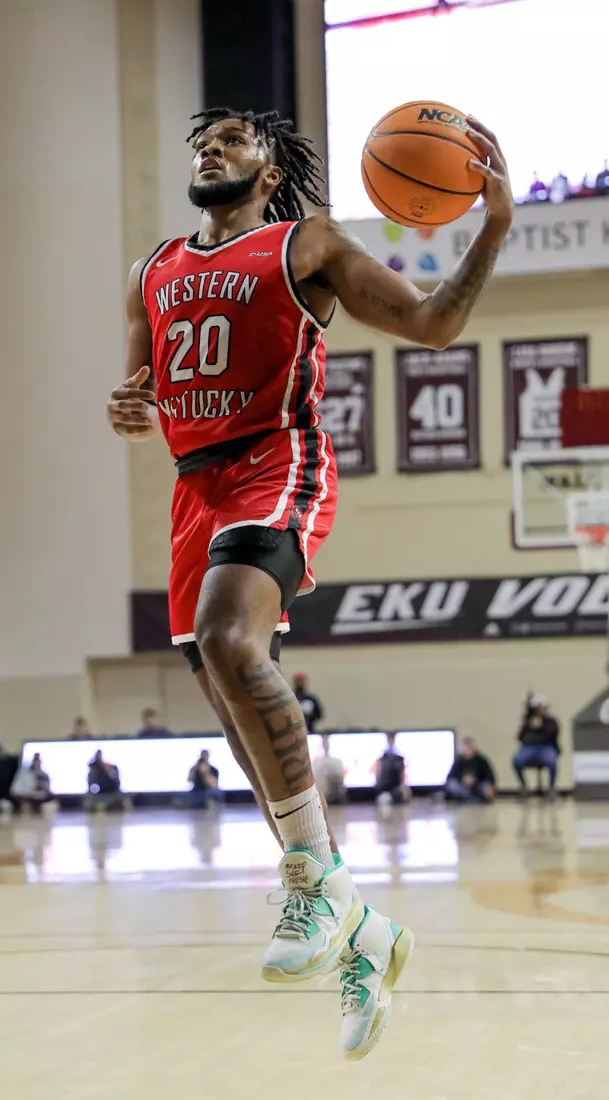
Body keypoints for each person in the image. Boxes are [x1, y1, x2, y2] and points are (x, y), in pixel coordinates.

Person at [107, 104, 511, 1058]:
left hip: (274, 461)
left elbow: (434, 325)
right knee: (235, 717)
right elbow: (141, 393)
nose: (210, 143)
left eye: (234, 137)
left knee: (228, 641)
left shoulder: (307, 244)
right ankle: (360, 929)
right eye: (201, 136)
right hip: (192, 488)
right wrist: (129, 401)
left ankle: (304, 887)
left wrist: (490, 227)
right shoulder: (151, 272)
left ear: (271, 169)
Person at [513, 694, 560, 799]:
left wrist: (541, 728)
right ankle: (524, 787)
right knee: (517, 760)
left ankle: (551, 787)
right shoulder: (528, 722)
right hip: (529, 747)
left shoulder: (551, 721)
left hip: (545, 747)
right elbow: (520, 736)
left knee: (552, 761)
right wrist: (530, 726)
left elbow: (552, 734)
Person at [446, 738, 496, 803]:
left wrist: (487, 786)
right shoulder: (458, 761)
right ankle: (469, 797)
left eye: (470, 748)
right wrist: (462, 780)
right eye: (466, 749)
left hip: (478, 785)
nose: (468, 751)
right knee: (452, 785)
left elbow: (489, 776)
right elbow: (450, 777)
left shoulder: (481, 760)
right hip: (462, 786)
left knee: (486, 786)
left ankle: (475, 796)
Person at [374, 733, 411, 807]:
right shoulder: (381, 759)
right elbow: (378, 775)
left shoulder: (399, 759)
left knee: (404, 792)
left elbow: (401, 776)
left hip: (395, 787)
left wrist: (403, 787)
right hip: (383, 787)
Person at [313, 734, 345, 805]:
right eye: (324, 742)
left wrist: (332, 779)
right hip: (319, 800)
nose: (325, 744)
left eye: (327, 742)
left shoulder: (337, 762)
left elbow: (341, 781)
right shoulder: (316, 763)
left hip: (335, 800)